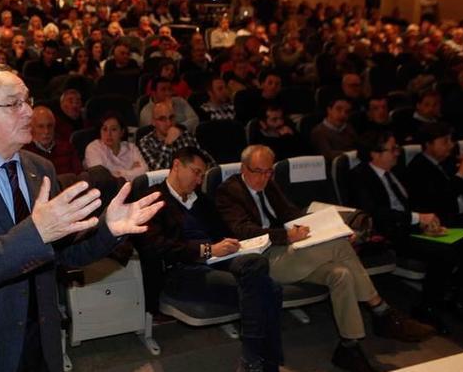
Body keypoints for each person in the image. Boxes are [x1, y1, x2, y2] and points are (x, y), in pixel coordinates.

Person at [0, 63, 163, 372]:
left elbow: (60, 254)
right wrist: (36, 232)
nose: (29, 112)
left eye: (27, 100)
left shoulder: (40, 168)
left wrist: (107, 230)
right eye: (13, 104)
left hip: (38, 344)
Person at [215, 145, 433, 372]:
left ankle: (349, 346)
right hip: (262, 260)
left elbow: (290, 213)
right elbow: (243, 230)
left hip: (290, 253)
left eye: (268, 172)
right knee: (339, 245)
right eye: (258, 171)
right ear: (243, 168)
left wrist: (321, 225)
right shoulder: (228, 191)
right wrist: (286, 235)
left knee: (341, 274)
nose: (263, 178)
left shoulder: (269, 184)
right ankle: (381, 310)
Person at [133, 147, 283, 371]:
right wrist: (207, 250)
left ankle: (253, 361)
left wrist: (232, 244)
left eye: (202, 175)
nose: (199, 179)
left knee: (257, 264)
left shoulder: (201, 200)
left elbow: (222, 232)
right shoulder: (152, 201)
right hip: (181, 271)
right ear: (176, 166)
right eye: (196, 172)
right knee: (269, 290)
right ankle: (264, 363)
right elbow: (154, 247)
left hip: (216, 261)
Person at [351, 131, 463, 334]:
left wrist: (425, 220)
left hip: (410, 228)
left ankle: (459, 299)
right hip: (387, 235)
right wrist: (418, 218)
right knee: (444, 253)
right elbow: (376, 214)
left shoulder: (395, 171)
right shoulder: (360, 176)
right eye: (392, 149)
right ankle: (427, 308)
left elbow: (412, 203)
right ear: (374, 154)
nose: (397, 153)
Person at [406, 123, 463, 239]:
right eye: (445, 141)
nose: (451, 145)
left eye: (451, 140)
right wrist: (461, 174)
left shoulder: (449, 161)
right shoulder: (417, 169)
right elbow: (441, 200)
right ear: (428, 145)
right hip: (446, 221)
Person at [139, 101, 212, 171]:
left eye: (171, 117)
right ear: (153, 122)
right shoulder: (146, 143)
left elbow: (209, 161)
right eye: (162, 119)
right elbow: (159, 170)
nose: (169, 123)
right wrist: (168, 143)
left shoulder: (186, 135)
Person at [84, 112, 148, 181]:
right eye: (104, 129)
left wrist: (117, 173)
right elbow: (101, 178)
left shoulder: (131, 147)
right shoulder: (93, 148)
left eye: (113, 129)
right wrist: (131, 170)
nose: (108, 134)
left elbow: (144, 171)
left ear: (122, 132)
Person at [22, 106, 82, 175]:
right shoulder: (25, 153)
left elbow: (79, 174)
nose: (46, 131)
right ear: (31, 128)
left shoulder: (67, 148)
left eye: (49, 126)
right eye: (40, 126)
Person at [311, 94, 358, 162]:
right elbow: (327, 155)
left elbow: (358, 145)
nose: (343, 114)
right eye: (339, 109)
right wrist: (353, 154)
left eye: (347, 112)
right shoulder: (319, 132)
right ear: (329, 110)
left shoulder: (348, 127)